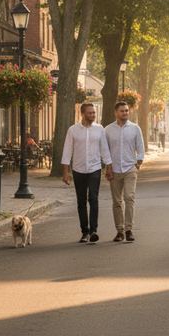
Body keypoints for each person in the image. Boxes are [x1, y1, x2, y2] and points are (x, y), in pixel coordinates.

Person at [62, 102, 112, 243]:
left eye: (94, 113)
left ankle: (93, 231)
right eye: (90, 113)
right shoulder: (73, 130)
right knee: (81, 201)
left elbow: (104, 149)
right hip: (78, 169)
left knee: (94, 198)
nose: (93, 115)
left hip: (95, 168)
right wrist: (66, 172)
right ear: (83, 113)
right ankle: (85, 231)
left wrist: (109, 167)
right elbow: (67, 151)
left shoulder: (99, 129)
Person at [104, 101, 145, 242]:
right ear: (116, 112)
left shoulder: (135, 128)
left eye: (127, 111)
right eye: (122, 111)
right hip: (114, 170)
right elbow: (105, 150)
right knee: (116, 201)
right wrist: (108, 167)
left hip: (129, 169)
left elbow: (140, 146)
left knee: (129, 197)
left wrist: (138, 162)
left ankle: (129, 229)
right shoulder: (108, 130)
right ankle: (119, 231)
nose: (125, 113)